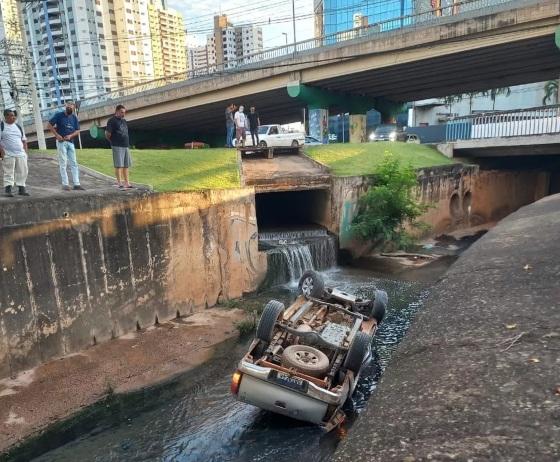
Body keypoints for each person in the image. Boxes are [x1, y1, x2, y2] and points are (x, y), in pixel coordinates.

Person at [47, 101, 84, 191]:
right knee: (63, 163)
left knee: (74, 163)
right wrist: (57, 135)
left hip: (71, 142)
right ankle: (65, 184)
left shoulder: (74, 118)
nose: (70, 108)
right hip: (61, 142)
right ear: (65, 106)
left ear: (73, 108)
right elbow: (49, 125)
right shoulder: (58, 115)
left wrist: (71, 136)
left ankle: (77, 184)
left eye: (72, 107)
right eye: (68, 106)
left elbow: (78, 130)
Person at [0, 109, 29, 197]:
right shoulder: (1, 127)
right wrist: (2, 152)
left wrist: (25, 152)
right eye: (11, 115)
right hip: (8, 153)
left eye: (14, 115)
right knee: (8, 172)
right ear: (6, 116)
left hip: (21, 153)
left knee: (23, 171)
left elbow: (24, 140)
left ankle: (21, 189)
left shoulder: (18, 127)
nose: (14, 117)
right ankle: (8, 190)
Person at [105, 104, 133, 189]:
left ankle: (127, 183)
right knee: (118, 165)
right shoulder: (111, 120)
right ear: (117, 111)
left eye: (124, 112)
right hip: (117, 145)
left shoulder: (124, 121)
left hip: (125, 145)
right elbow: (107, 134)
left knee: (126, 165)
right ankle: (119, 183)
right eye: (121, 112)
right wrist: (112, 141)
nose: (123, 114)